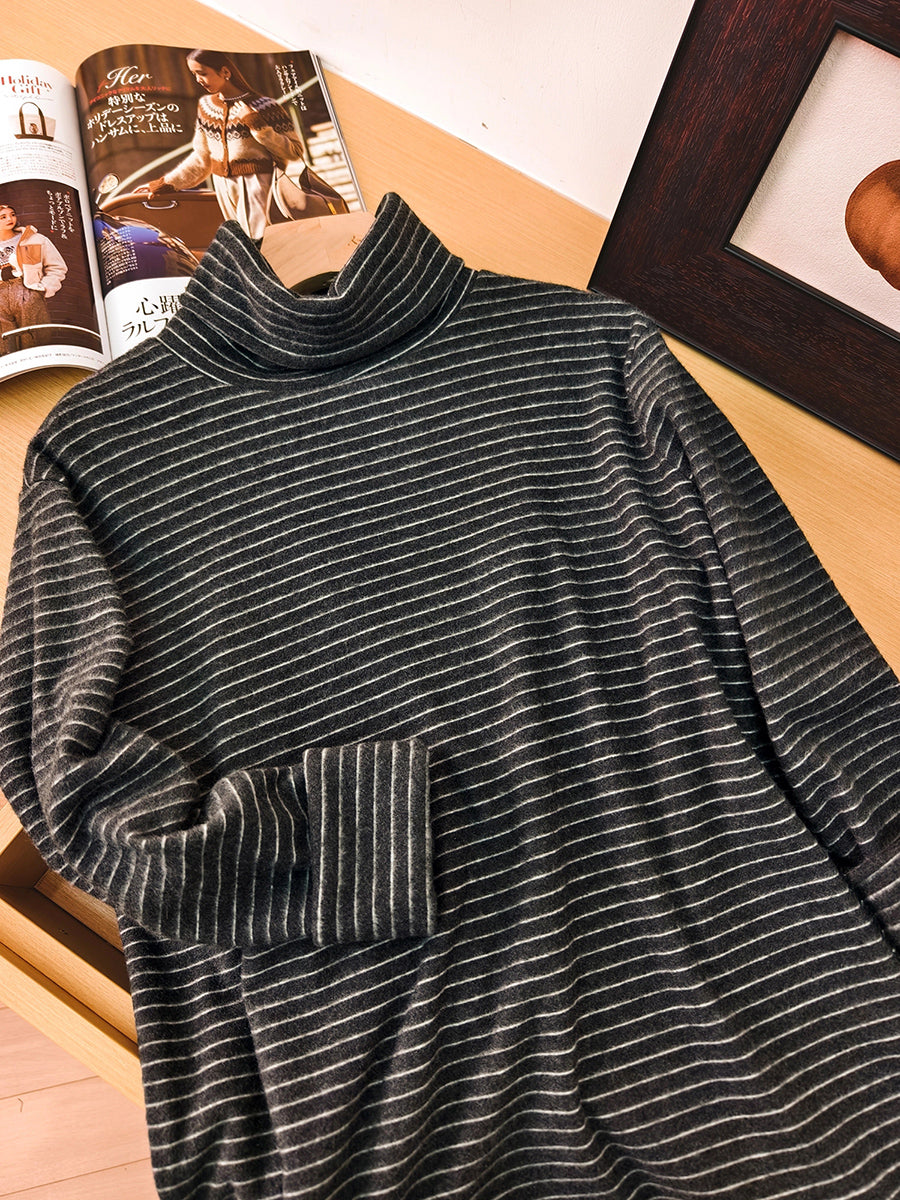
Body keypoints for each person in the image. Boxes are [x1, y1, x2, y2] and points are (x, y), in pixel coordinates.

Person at [144, 50, 345, 240]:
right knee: (245, 244)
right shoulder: (206, 106)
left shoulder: (266, 106)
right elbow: (201, 158)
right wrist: (166, 183)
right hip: (223, 186)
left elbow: (294, 151)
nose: (198, 80)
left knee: (260, 242)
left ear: (225, 72)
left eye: (202, 73)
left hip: (256, 185)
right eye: (194, 74)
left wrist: (257, 125)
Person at [0, 203, 67, 354]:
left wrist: (42, 289)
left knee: (35, 341)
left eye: (12, 214)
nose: (10, 219)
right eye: (3, 217)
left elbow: (57, 267)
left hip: (26, 290)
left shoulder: (34, 239)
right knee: (4, 348)